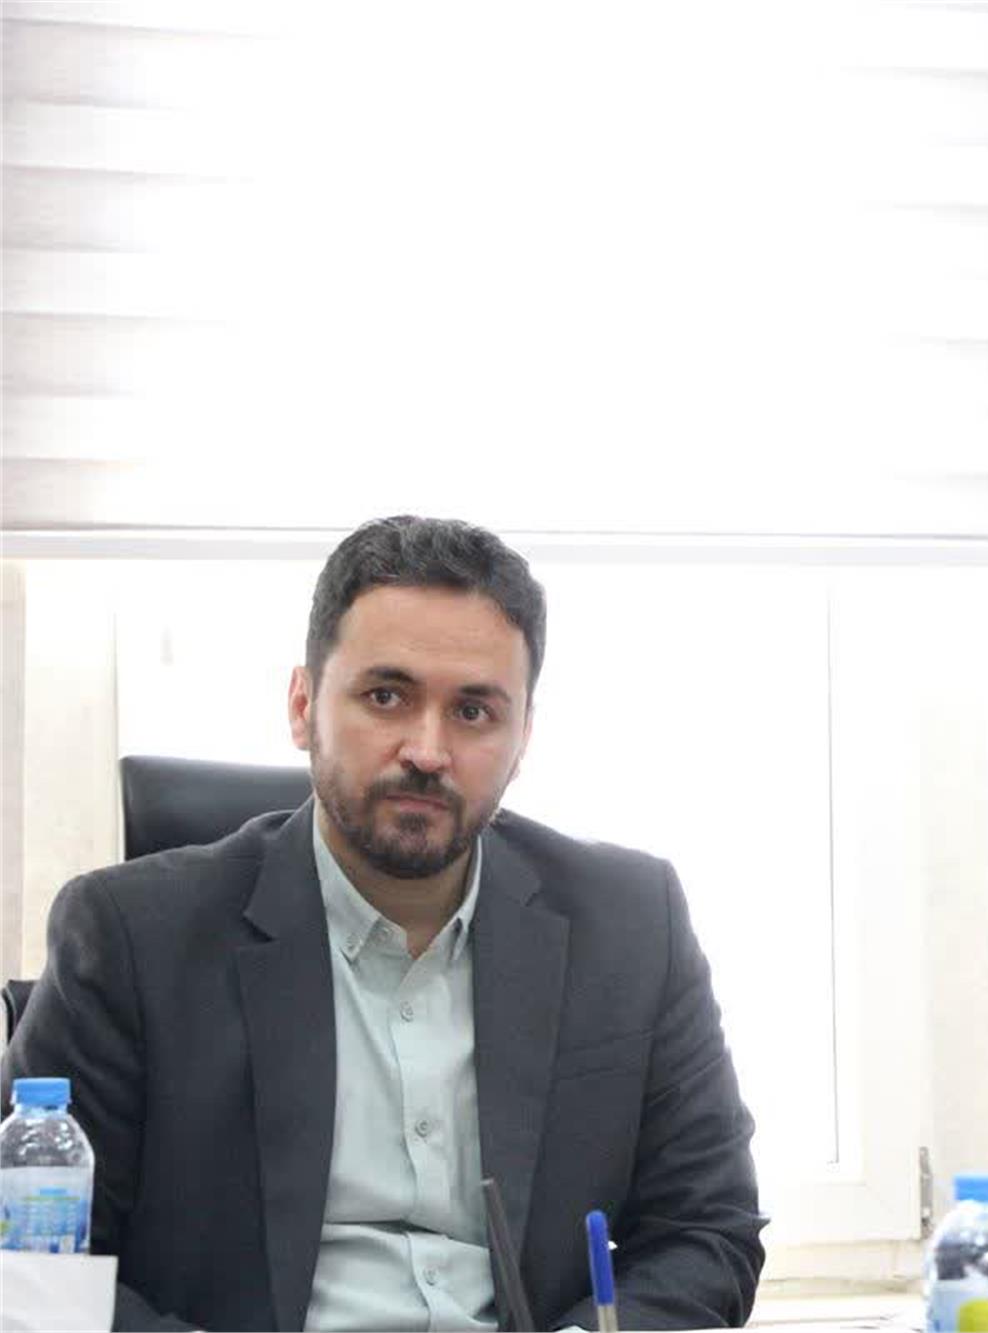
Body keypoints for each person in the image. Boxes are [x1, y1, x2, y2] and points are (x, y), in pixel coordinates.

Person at [0, 516, 765, 1331]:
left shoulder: (632, 924)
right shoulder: (129, 937)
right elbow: (31, 1275)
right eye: (387, 696)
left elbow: (708, 1230)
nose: (427, 749)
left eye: (474, 710)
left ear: (523, 738)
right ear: (303, 705)